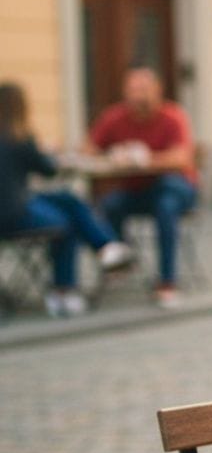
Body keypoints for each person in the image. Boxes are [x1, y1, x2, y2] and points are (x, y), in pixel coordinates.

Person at [0, 82, 133, 317]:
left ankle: (107, 247)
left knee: (66, 198)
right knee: (67, 221)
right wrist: (49, 152)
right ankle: (64, 290)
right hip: (14, 216)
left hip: (14, 206)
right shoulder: (20, 138)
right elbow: (48, 170)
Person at [87, 66, 198, 308]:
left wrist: (145, 159)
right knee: (109, 204)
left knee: (166, 204)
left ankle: (167, 281)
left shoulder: (173, 116)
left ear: (158, 90)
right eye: (134, 90)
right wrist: (113, 156)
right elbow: (88, 149)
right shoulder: (114, 117)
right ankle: (122, 262)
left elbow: (182, 158)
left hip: (174, 188)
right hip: (136, 189)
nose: (139, 97)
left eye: (144, 90)